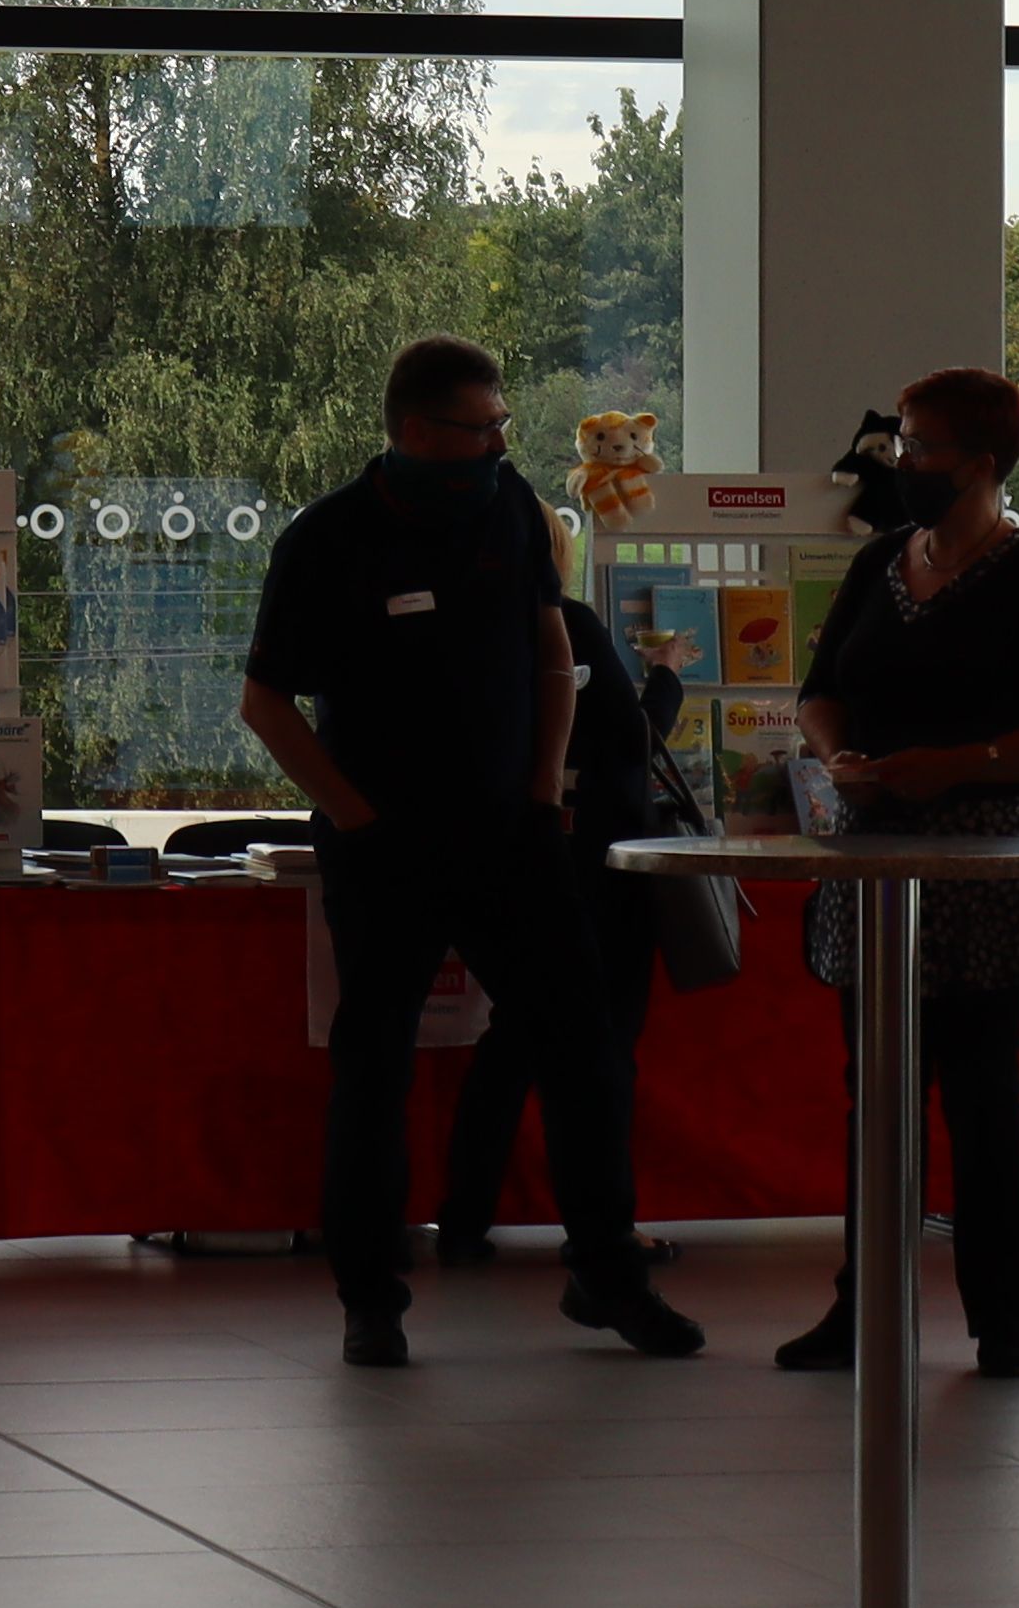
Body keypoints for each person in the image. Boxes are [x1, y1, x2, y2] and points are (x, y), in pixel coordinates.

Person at [241, 335, 704, 1369]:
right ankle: (371, 1297)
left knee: (584, 1050)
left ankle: (608, 1273)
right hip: (384, 844)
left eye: (502, 426)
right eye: (480, 426)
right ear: (414, 430)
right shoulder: (329, 538)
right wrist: (354, 817)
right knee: (375, 1067)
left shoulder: (506, 507)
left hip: (513, 833)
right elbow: (264, 702)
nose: (501, 441)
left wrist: (543, 787)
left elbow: (551, 648)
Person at [780, 368, 1019, 1382]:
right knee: (874, 1094)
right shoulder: (882, 559)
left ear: (979, 461)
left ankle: (1002, 1320)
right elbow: (821, 691)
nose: (898, 460)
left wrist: (959, 762)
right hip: (877, 859)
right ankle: (864, 1304)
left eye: (918, 445)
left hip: (990, 863)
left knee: (979, 1091)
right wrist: (841, 757)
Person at [437, 578, 670, 1266]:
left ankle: (465, 1212)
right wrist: (665, 680)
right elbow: (635, 737)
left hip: (497, 855)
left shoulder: (461, 625)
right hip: (598, 860)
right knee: (602, 1045)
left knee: (514, 1038)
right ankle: (604, 1230)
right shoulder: (563, 622)